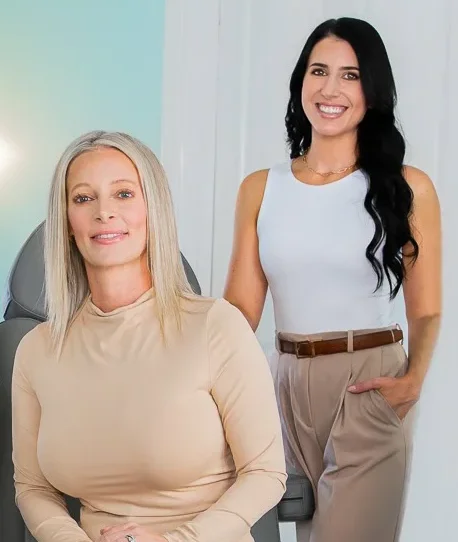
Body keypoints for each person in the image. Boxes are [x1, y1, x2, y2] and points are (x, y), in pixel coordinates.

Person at [223, 17, 441, 542]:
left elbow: (427, 308)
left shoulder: (407, 188)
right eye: (319, 71)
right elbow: (238, 314)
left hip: (367, 380)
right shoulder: (260, 188)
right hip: (284, 383)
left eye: (351, 75)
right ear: (301, 81)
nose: (330, 89)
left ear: (373, 90)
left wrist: (413, 379)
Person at [11, 130, 287, 542]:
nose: (104, 212)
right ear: (67, 222)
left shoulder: (216, 326)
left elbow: (265, 473)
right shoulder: (36, 351)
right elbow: (33, 488)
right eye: (83, 198)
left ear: (152, 209)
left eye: (123, 194)